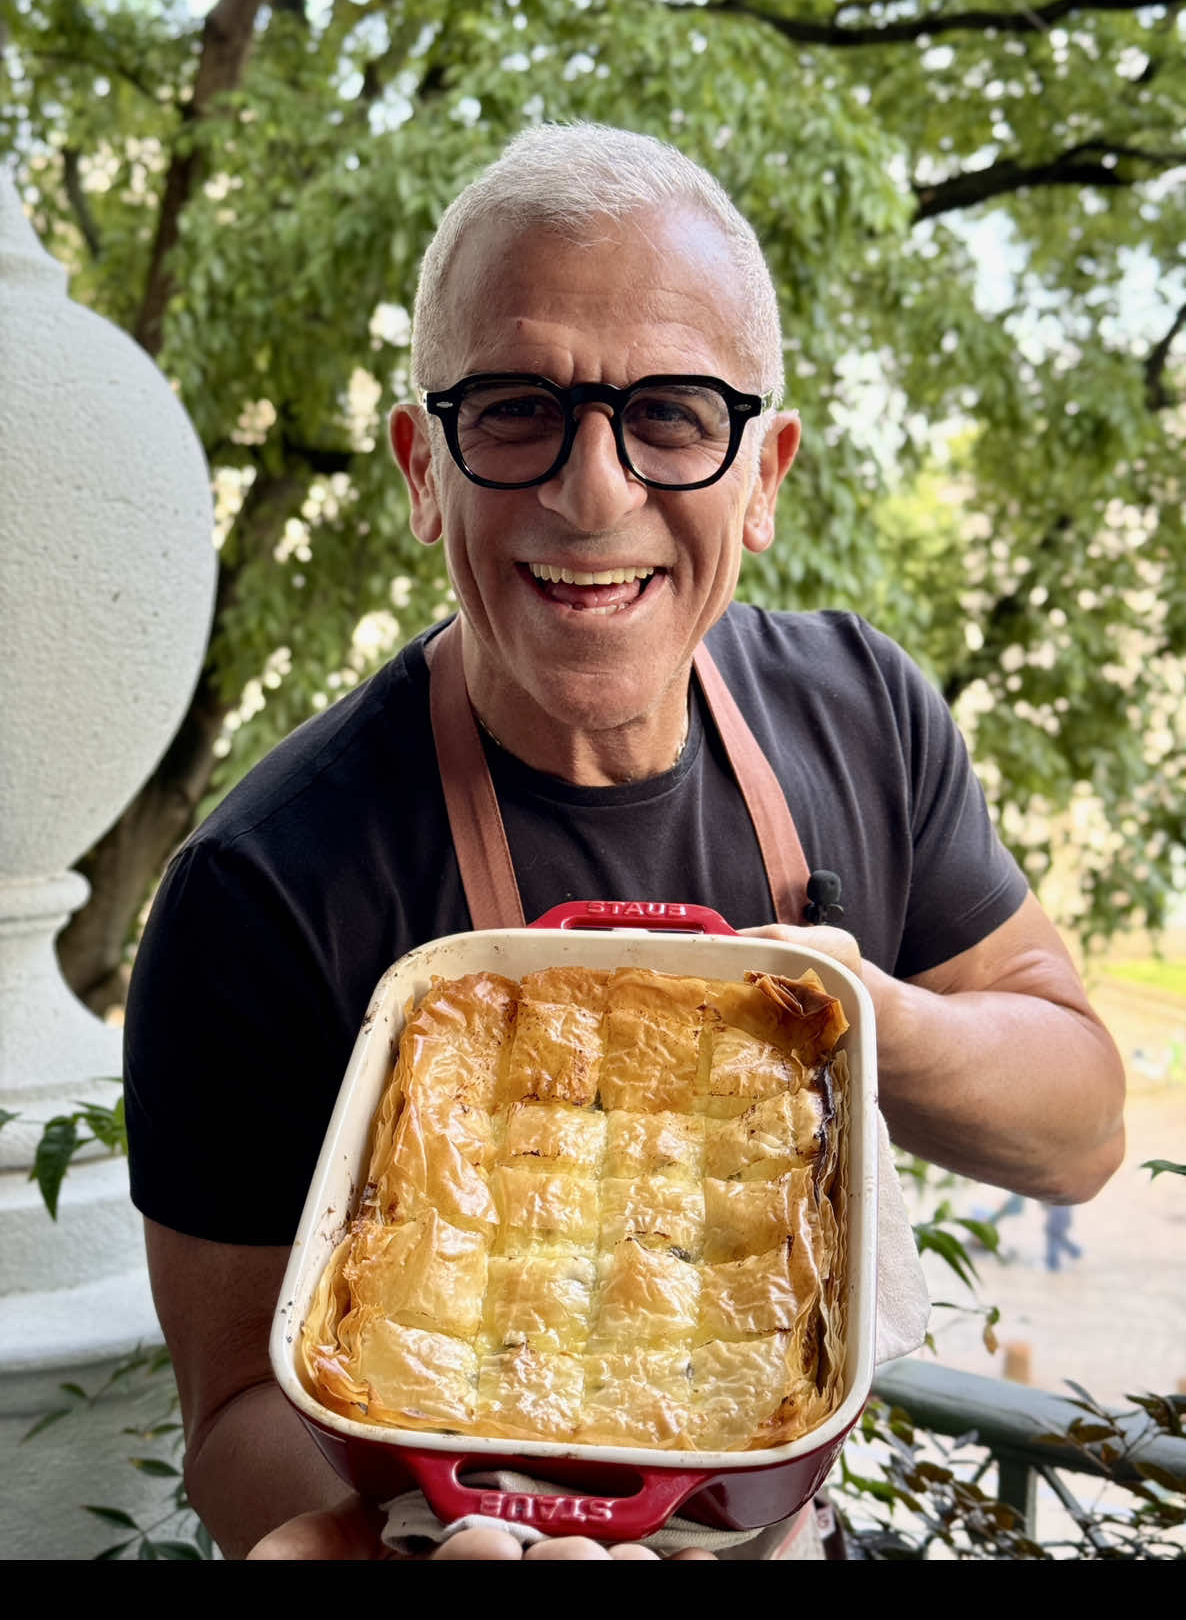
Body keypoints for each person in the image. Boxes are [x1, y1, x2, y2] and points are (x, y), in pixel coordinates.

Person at [123, 122, 1126, 1561]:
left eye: (670, 413)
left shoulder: (865, 714)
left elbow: (1083, 1124)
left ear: (764, 474)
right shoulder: (261, 889)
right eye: (516, 407)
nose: (593, 491)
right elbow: (234, 1414)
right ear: (422, 467)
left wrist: (852, 1013)